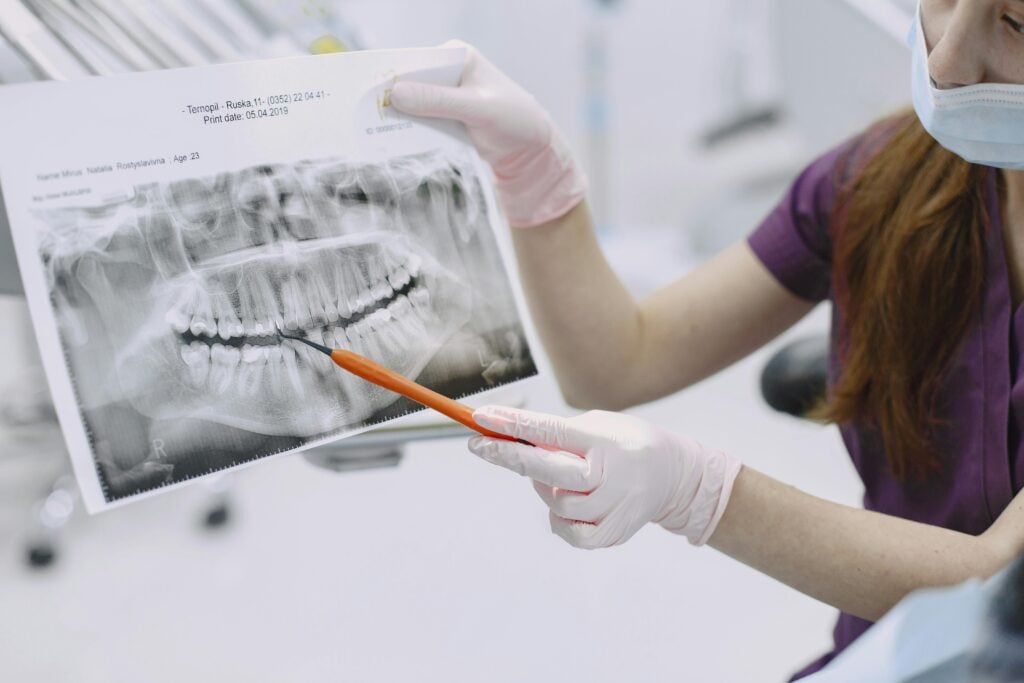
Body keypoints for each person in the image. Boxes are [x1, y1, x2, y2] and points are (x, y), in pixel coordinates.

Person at [390, 0, 1024, 678]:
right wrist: (536, 175)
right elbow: (617, 362)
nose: (946, 61)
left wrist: (701, 490)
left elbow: (995, 580)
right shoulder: (884, 178)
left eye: (1017, 24)